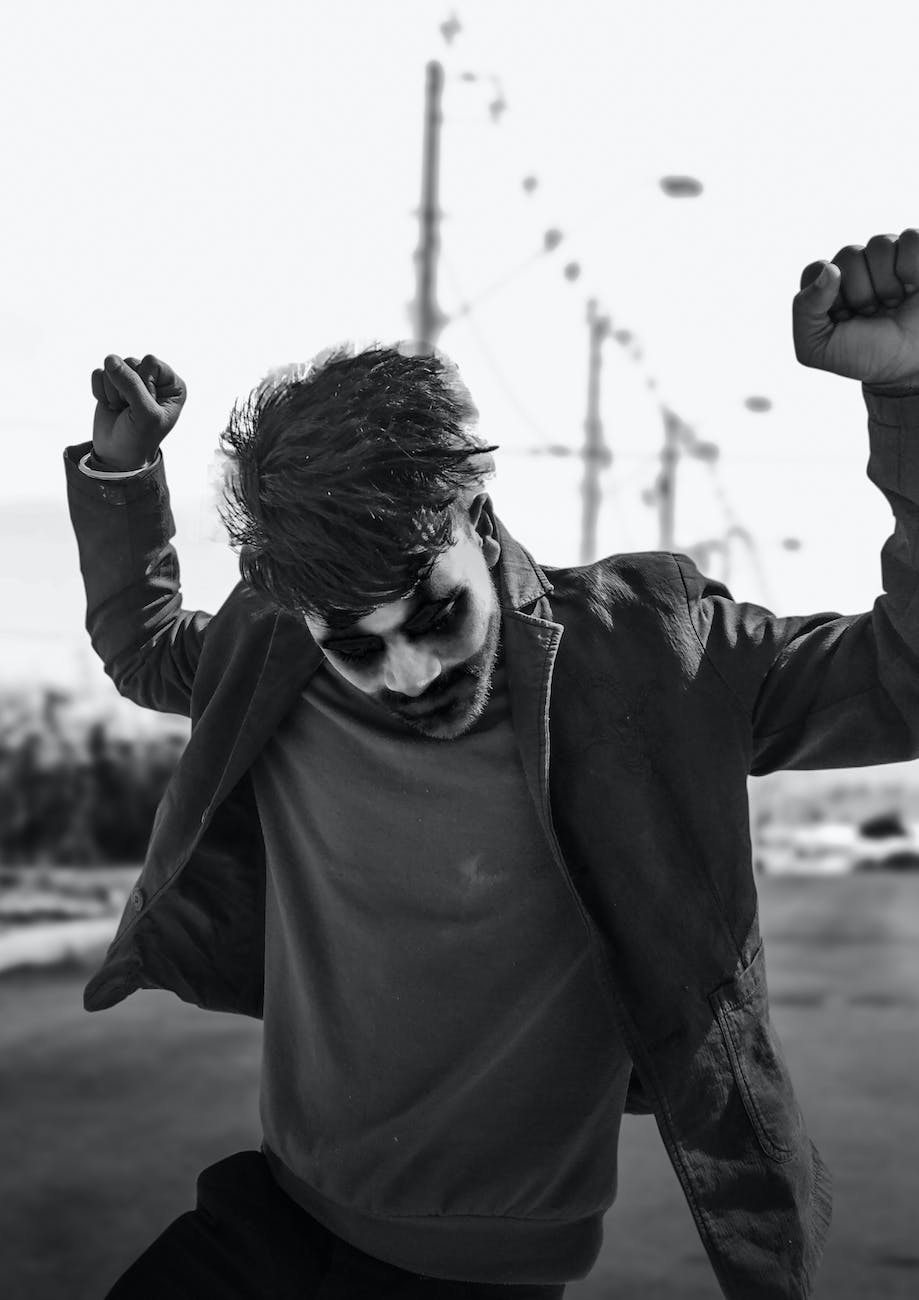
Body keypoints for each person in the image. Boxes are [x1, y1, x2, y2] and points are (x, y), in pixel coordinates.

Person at [65, 228, 919, 1300]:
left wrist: (910, 399)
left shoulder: (649, 657)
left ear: (476, 512)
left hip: (468, 1275)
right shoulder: (273, 639)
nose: (409, 667)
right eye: (357, 642)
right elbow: (149, 651)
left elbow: (903, 673)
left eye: (434, 610)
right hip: (267, 1213)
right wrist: (123, 470)